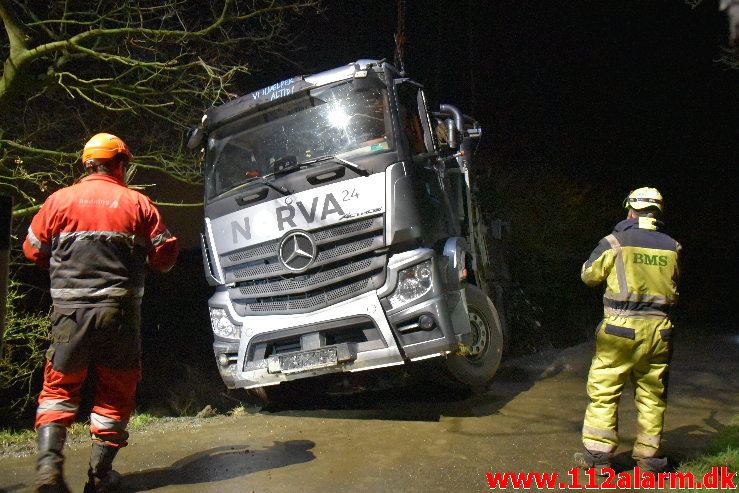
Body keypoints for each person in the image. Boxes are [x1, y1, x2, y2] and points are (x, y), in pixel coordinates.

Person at [23, 133, 179, 492]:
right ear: (121, 164)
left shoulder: (59, 201)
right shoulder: (138, 203)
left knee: (58, 390)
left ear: (87, 164)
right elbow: (166, 255)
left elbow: (32, 250)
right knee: (115, 392)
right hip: (119, 316)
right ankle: (100, 477)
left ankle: (49, 471)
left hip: (69, 315)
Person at [575, 187, 681, 474]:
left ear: (630, 210)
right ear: (658, 213)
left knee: (605, 391)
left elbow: (589, 276)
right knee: (652, 395)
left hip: (620, 330)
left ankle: (599, 458)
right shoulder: (673, 246)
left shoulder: (614, 242)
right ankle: (650, 459)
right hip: (660, 331)